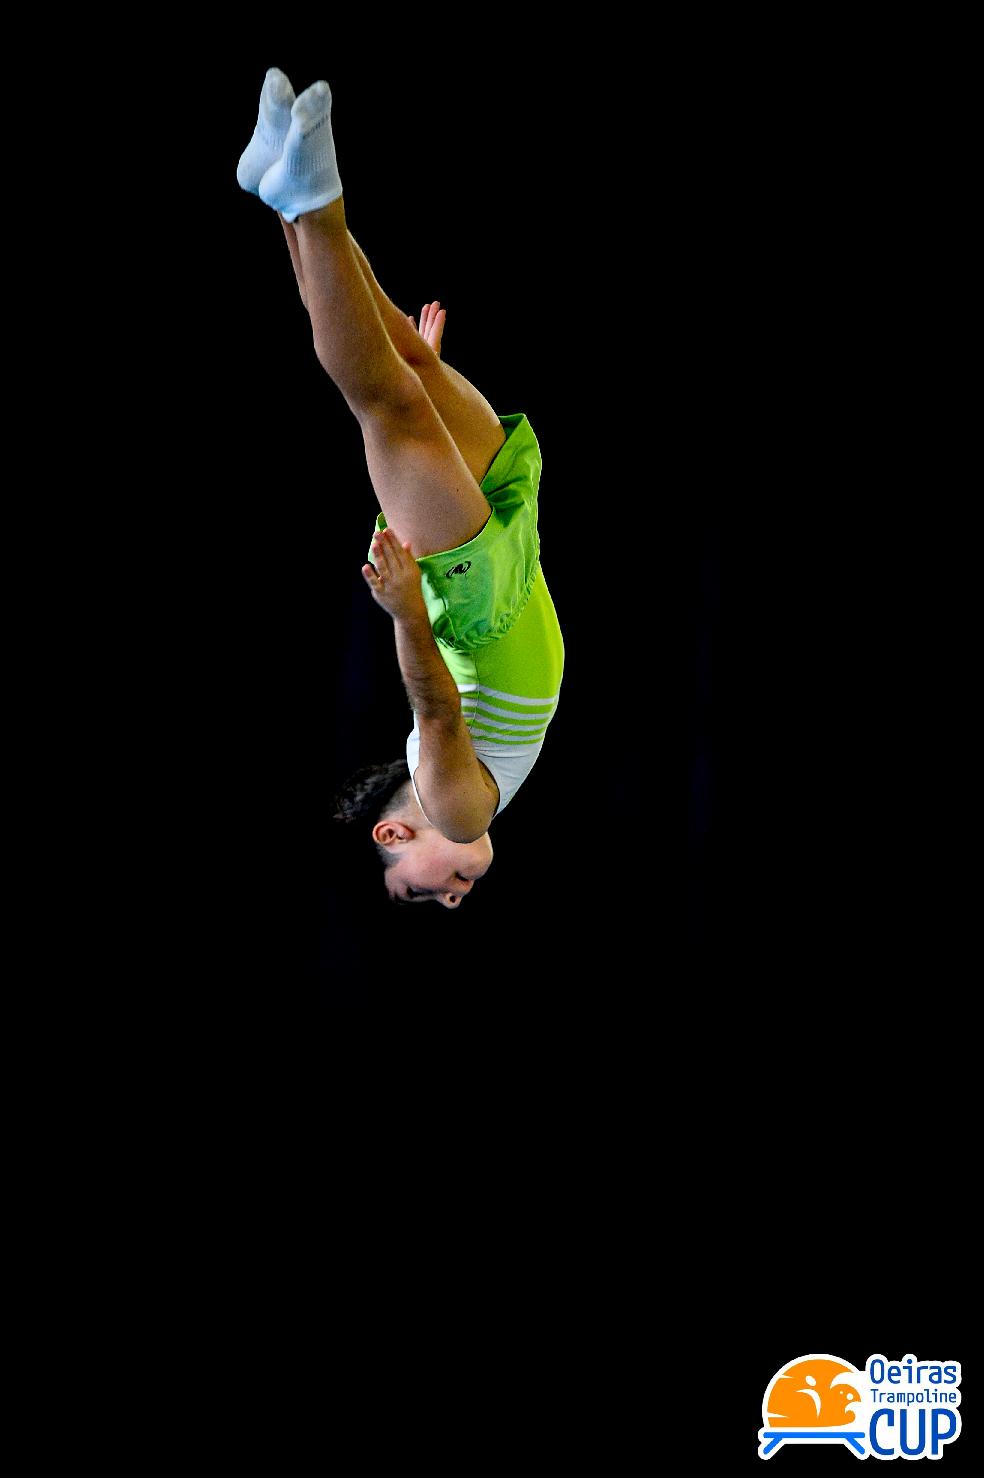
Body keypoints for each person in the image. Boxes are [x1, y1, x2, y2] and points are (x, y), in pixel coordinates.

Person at [237, 68, 564, 908]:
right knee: (406, 360)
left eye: (421, 894)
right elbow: (440, 713)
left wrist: (409, 612)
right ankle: (281, 192)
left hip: (473, 593)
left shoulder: (454, 810)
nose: (453, 899)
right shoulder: (460, 790)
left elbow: (438, 704)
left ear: (393, 837)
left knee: (383, 397)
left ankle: (309, 202)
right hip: (508, 549)